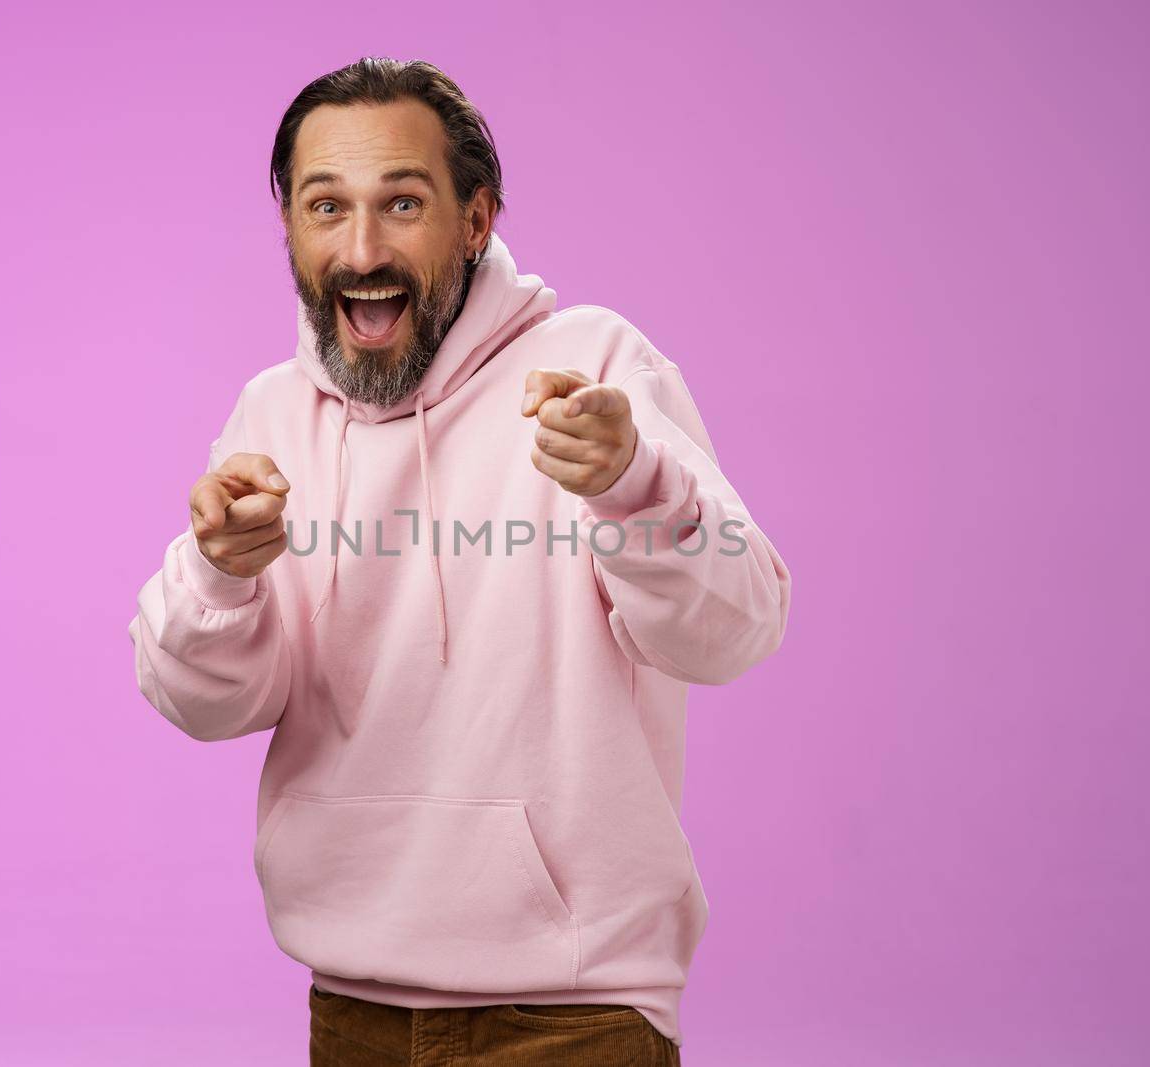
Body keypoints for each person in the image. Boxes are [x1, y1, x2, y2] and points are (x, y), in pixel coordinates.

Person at [128, 56, 792, 1064]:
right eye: (325, 206)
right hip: (349, 1004)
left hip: (574, 1012)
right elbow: (208, 703)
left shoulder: (597, 367)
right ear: (290, 229)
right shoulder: (271, 414)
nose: (361, 248)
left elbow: (734, 630)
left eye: (402, 202)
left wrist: (633, 482)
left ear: (475, 219)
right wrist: (220, 572)